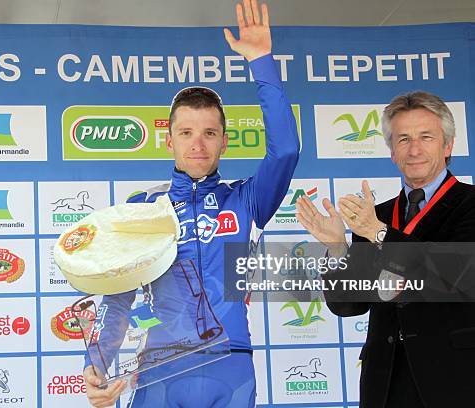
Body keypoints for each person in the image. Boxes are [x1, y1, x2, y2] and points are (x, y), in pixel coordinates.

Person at [83, 0, 300, 406]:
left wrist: (261, 61)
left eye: (209, 133)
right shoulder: (143, 207)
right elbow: (117, 296)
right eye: (186, 132)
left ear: (224, 139)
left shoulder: (246, 199)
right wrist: (96, 361)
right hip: (161, 368)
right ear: (169, 141)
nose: (197, 144)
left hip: (230, 362)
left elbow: (285, 150)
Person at [295, 91, 475, 407]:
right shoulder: (375, 214)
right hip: (385, 381)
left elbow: (453, 277)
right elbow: (350, 306)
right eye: (403, 139)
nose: (414, 149)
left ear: (447, 146)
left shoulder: (469, 204)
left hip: (454, 378)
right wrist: (338, 249)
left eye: (426, 137)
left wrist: (378, 233)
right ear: (392, 151)